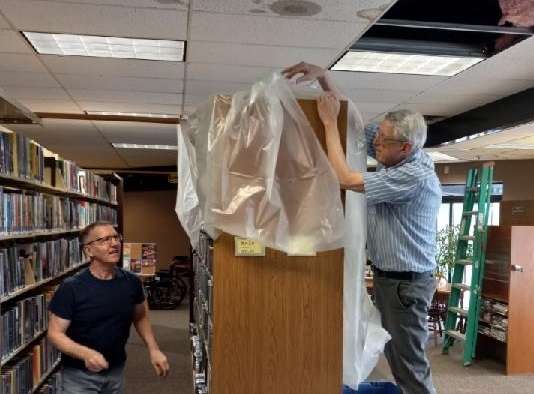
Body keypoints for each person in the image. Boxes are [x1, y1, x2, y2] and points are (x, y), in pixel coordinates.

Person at [283, 62, 441, 394]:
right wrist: (325, 79)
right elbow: (354, 125)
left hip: (406, 285)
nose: (376, 145)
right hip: (392, 279)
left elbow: (346, 178)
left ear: (405, 148)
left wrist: (328, 125)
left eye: (383, 142)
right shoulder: (395, 152)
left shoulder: (413, 175)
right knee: (395, 356)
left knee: (409, 363)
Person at [47, 221, 170, 394]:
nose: (114, 243)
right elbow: (55, 333)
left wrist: (154, 349)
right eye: (104, 240)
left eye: (116, 237)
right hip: (79, 376)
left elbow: (140, 316)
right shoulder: (72, 287)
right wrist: (86, 354)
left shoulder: (132, 282)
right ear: (88, 250)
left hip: (116, 371)